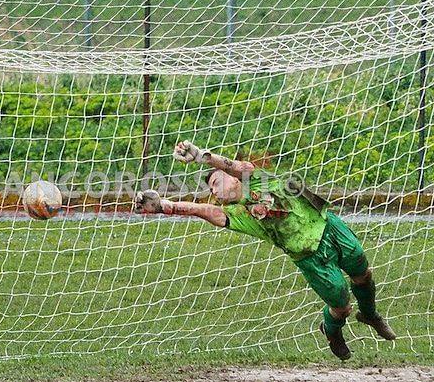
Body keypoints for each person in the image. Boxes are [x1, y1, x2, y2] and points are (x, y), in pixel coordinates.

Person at [134, 140, 396, 360]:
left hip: (328, 227)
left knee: (362, 271)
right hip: (308, 256)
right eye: (210, 189)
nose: (213, 190)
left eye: (215, 182)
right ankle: (332, 331)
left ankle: (371, 315)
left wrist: (203, 157)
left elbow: (238, 166)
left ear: (232, 180)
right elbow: (203, 211)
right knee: (341, 306)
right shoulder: (238, 215)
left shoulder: (257, 180)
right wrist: (163, 205)